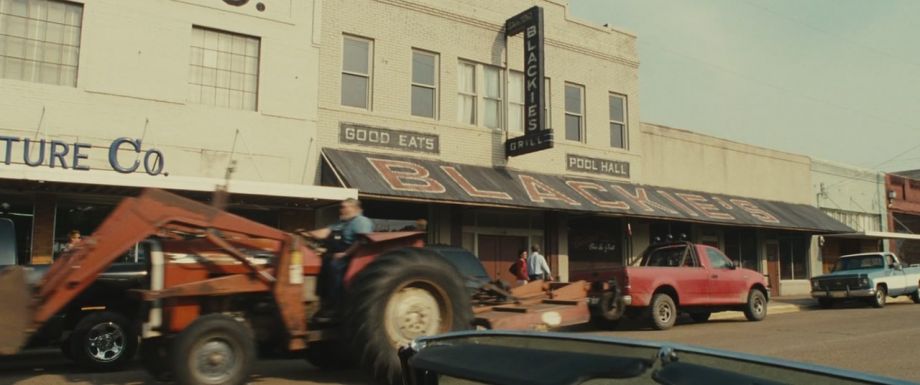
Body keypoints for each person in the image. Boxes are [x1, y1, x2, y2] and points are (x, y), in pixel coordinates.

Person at [300, 198, 373, 318]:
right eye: (341, 207)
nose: (341, 210)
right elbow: (326, 232)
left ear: (355, 208)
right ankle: (324, 302)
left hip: (355, 256)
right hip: (340, 254)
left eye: (344, 207)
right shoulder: (342, 222)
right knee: (322, 263)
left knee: (335, 266)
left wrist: (345, 253)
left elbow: (362, 241)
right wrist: (306, 234)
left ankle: (337, 306)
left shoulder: (361, 221)